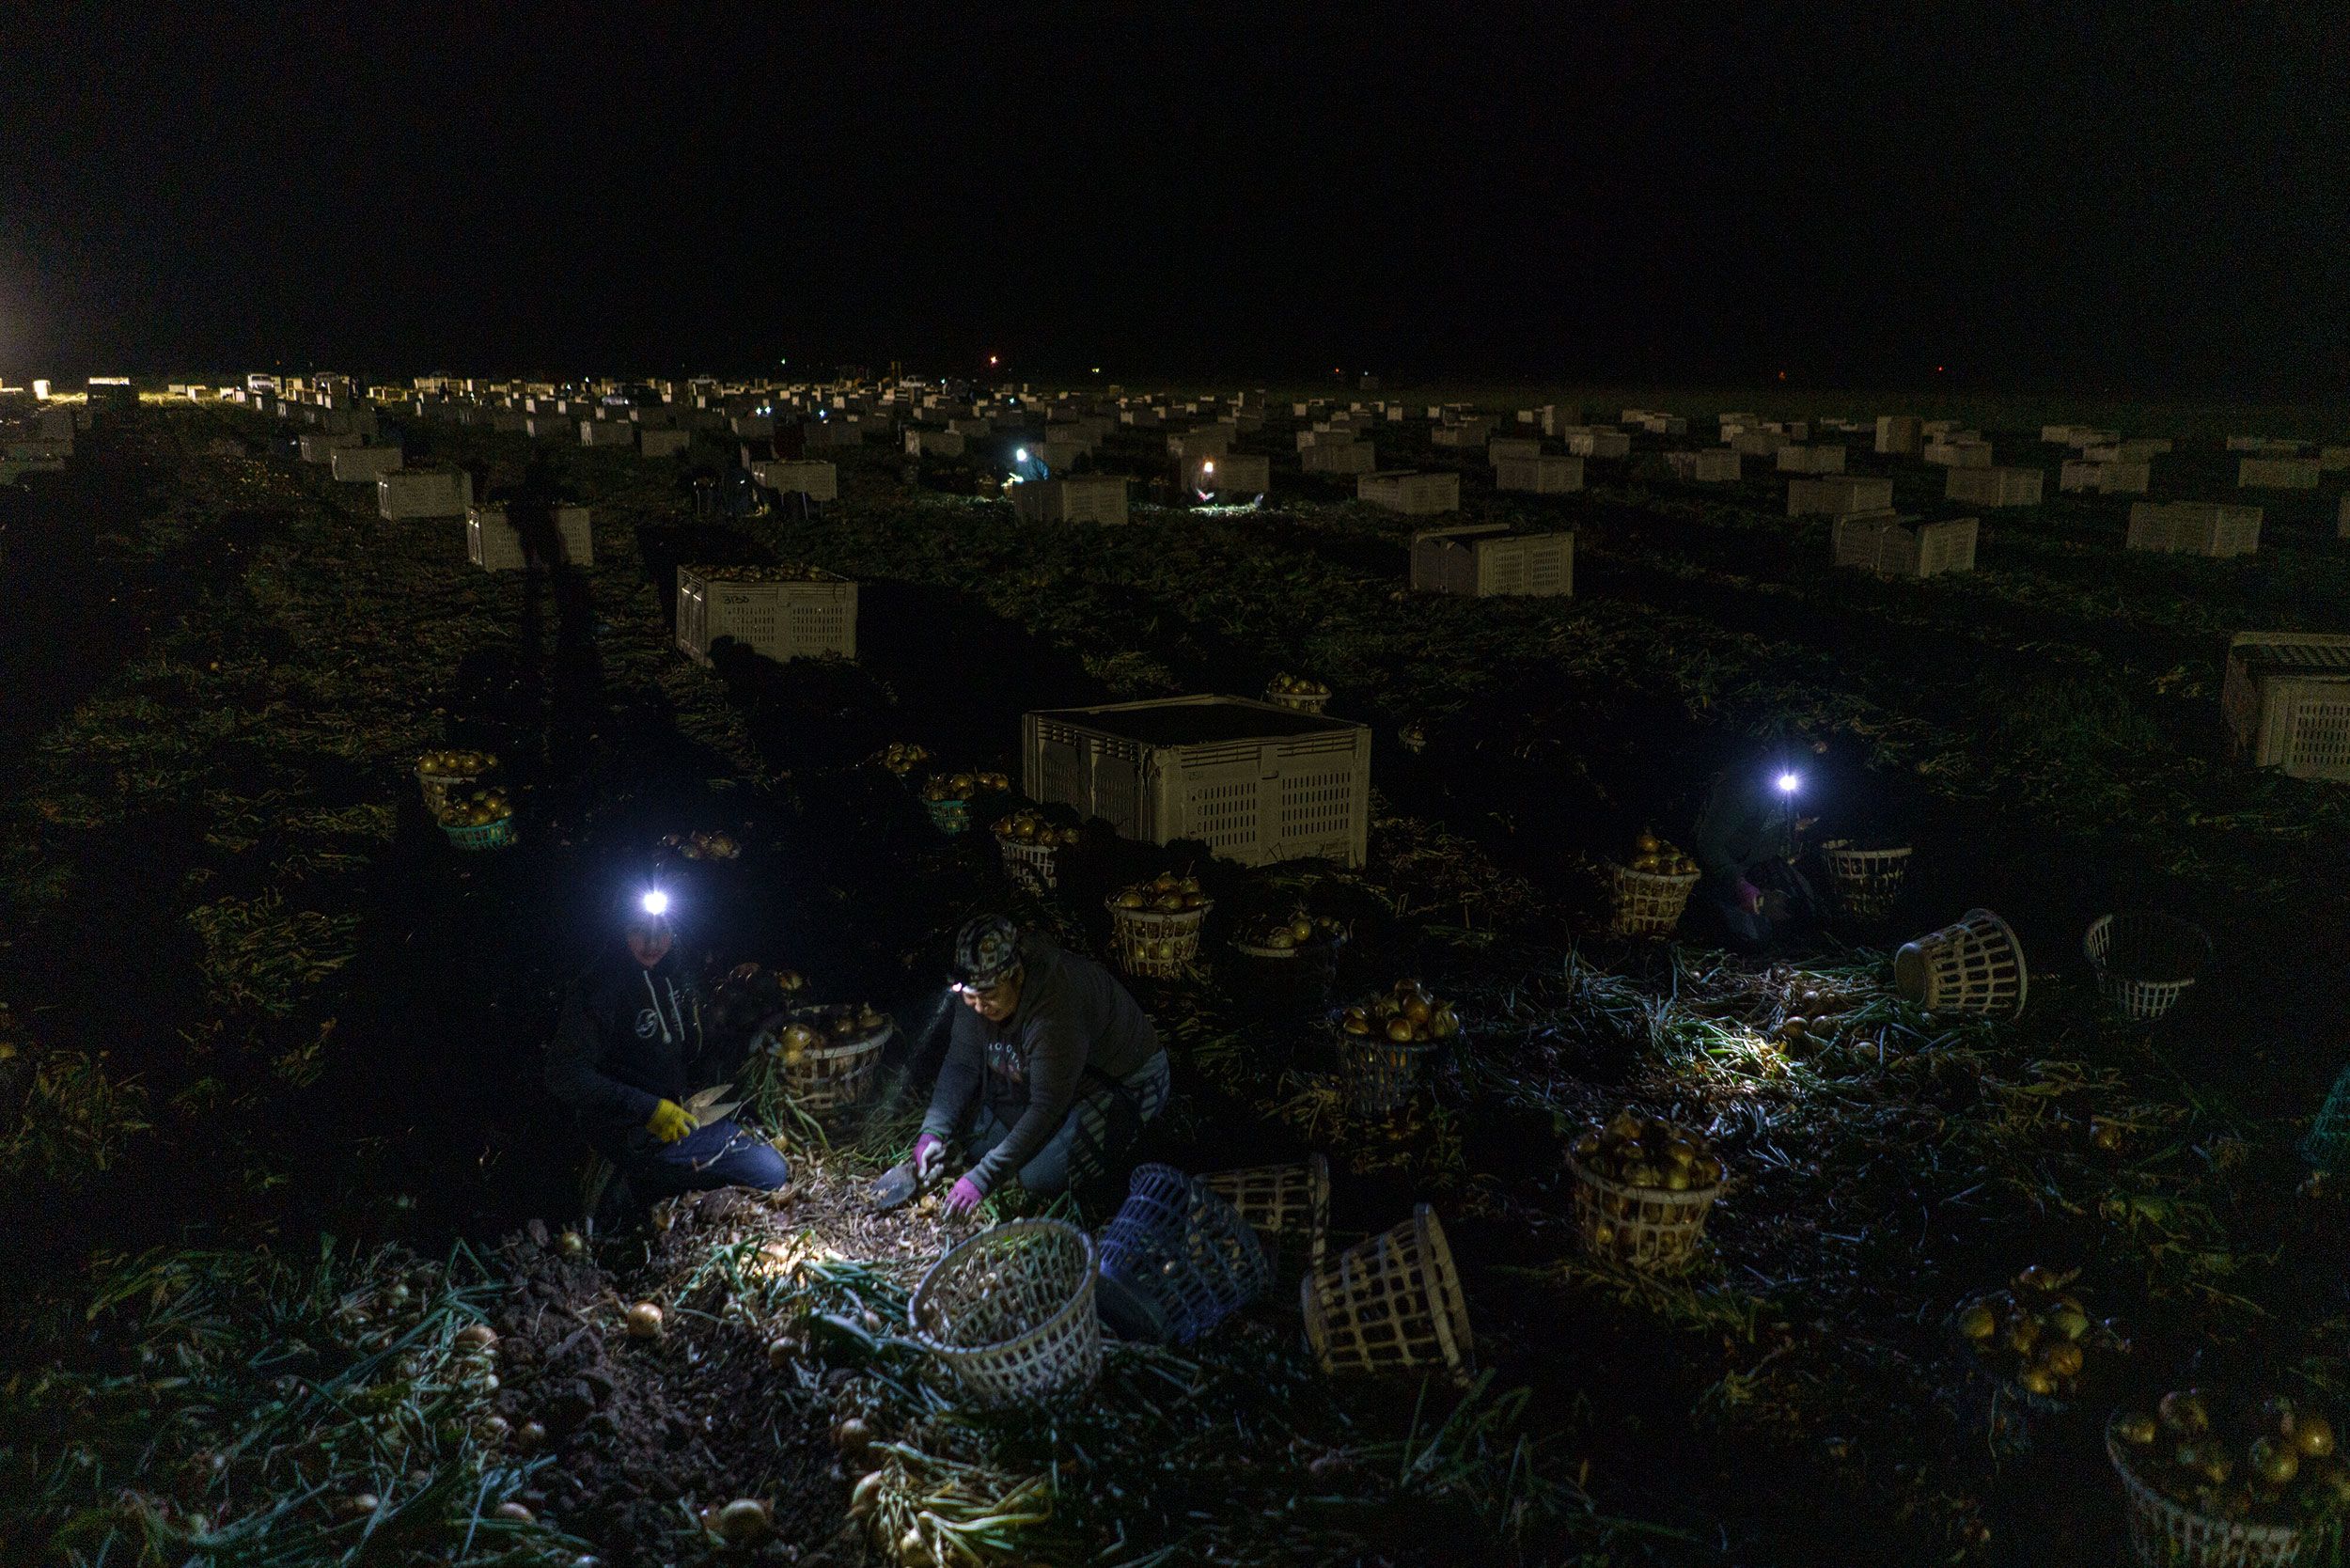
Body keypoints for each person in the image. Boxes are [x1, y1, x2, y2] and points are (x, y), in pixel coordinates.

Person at [899, 916, 1169, 1215]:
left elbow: (1046, 1106)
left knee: (1037, 1178)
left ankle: (1129, 1141)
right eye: (969, 997)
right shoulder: (975, 984)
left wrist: (983, 1177)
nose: (977, 1007)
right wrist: (933, 1133)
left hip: (1122, 1082)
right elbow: (962, 1063)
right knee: (978, 1142)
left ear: (1017, 977)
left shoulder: (1056, 1009)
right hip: (1055, 1074)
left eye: (987, 997)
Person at [543, 886, 789, 1207]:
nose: (652, 943)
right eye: (639, 931)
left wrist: (752, 1029)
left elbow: (698, 1046)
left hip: (684, 1112)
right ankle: (638, 1183)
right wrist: (647, 1108)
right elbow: (563, 1072)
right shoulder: (597, 989)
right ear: (620, 929)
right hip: (631, 1129)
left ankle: (656, 1181)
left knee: (765, 1163)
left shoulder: (678, 973)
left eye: (663, 931)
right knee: (771, 1172)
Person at [1688, 761, 1820, 950]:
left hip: (1757, 867)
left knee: (1804, 909)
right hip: (1718, 869)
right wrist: (1738, 882)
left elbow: (1773, 832)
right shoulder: (1743, 790)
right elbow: (1708, 843)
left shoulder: (1787, 796)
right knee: (1750, 935)